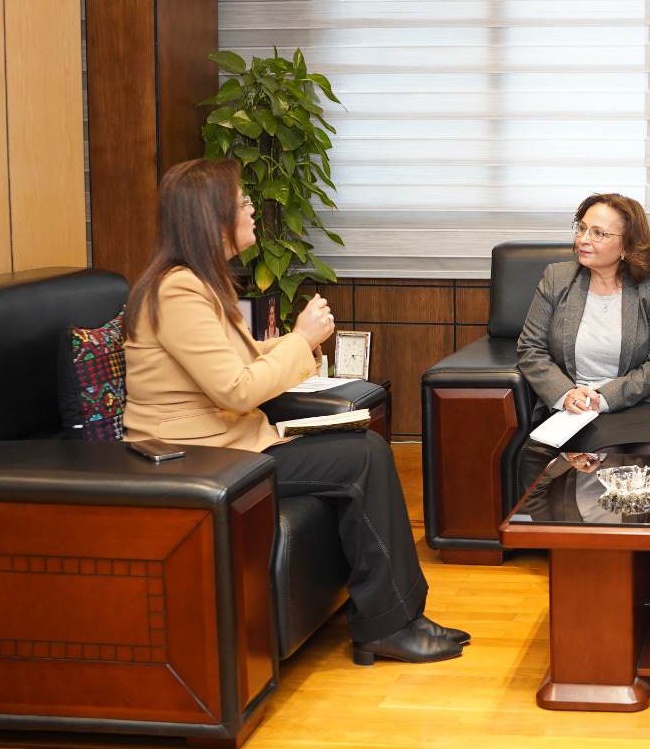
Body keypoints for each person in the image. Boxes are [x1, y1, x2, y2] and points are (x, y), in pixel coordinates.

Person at [124, 159, 466, 666]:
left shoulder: (199, 282)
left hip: (228, 445)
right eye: (242, 202)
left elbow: (237, 365)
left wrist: (295, 342)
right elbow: (237, 389)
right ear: (212, 216)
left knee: (365, 448)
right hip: (195, 457)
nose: (251, 210)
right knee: (364, 457)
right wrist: (302, 340)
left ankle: (401, 618)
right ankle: (389, 626)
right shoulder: (178, 291)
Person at [517, 193, 650, 458]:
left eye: (598, 233)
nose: (583, 239)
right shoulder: (557, 279)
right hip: (574, 405)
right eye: (581, 228)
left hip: (638, 402)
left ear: (626, 246)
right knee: (604, 454)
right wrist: (566, 394)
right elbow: (530, 349)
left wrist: (603, 398)